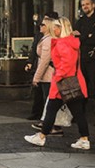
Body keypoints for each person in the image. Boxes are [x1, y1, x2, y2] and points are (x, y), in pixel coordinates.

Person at [25, 17, 91, 149]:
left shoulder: (62, 43)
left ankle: (41, 136)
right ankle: (84, 139)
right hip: (73, 83)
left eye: (56, 26)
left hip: (62, 84)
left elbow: (65, 65)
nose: (53, 29)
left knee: (51, 110)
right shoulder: (72, 42)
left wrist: (58, 76)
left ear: (62, 28)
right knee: (77, 113)